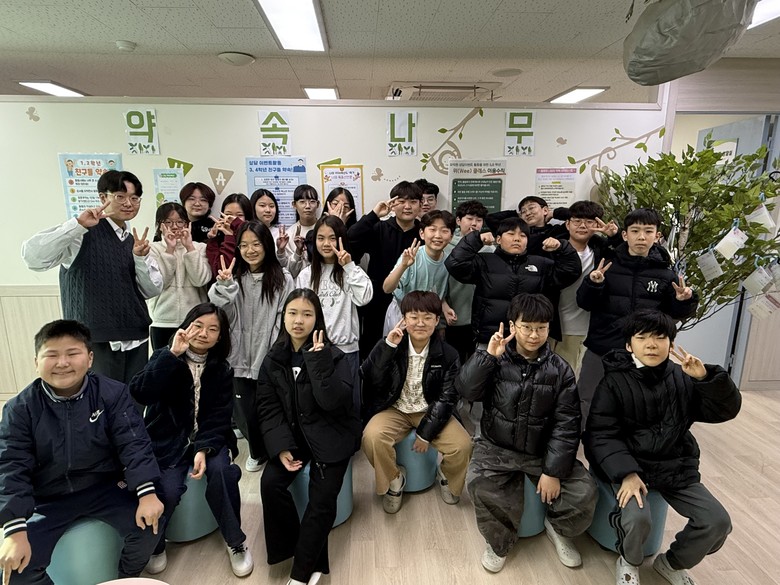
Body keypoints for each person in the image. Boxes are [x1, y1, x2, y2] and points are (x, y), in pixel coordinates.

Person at [584, 309, 741, 585]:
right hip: (630, 466)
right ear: (628, 345)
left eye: (659, 337)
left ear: (671, 342)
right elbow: (600, 434)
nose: (651, 344)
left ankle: (671, 564)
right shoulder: (613, 382)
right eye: (641, 337)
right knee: (638, 519)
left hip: (674, 465)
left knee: (717, 522)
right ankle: (629, 561)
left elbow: (724, 411)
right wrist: (626, 473)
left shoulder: (683, 377)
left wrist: (705, 378)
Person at [0, 320, 164, 584]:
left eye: (72, 353)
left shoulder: (112, 394)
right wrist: (14, 527)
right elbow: (11, 465)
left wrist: (146, 492)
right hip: (48, 497)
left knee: (151, 526)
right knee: (16, 571)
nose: (62, 363)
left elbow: (133, 442)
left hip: (104, 486)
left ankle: (126, 578)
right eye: (52, 355)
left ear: (89, 359)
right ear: (36, 362)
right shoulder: (19, 409)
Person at [456, 294, 596, 574]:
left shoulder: (560, 370)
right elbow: (466, 391)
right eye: (527, 327)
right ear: (512, 326)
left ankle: (558, 528)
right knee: (479, 484)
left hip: (541, 450)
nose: (534, 335)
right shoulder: (495, 359)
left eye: (541, 328)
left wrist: (553, 471)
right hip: (496, 446)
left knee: (584, 491)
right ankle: (499, 543)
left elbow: (567, 423)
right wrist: (487, 357)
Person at [129, 303, 252, 577]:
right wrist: (172, 354)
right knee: (167, 489)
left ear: (220, 337)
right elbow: (139, 392)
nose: (204, 333)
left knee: (223, 474)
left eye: (213, 329)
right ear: (186, 326)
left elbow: (220, 416)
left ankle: (236, 542)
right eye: (198, 325)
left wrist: (203, 448)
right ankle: (156, 545)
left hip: (210, 439)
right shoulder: (166, 356)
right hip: (168, 441)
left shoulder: (221, 369)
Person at [257, 289, 361, 585]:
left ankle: (301, 574)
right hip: (293, 437)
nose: (298, 321)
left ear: (318, 319)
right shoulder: (273, 359)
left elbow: (334, 403)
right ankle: (299, 546)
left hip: (332, 436)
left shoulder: (335, 356)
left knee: (321, 500)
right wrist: (280, 447)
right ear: (283, 317)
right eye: (292, 313)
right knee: (270, 484)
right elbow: (267, 408)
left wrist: (318, 363)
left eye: (306, 314)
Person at [21, 169, 162, 384]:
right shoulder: (81, 233)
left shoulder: (134, 241)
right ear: (103, 198)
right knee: (97, 399)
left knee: (132, 399)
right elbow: (33, 258)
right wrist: (76, 225)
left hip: (136, 335)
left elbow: (151, 290)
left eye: (135, 198)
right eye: (120, 196)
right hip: (95, 338)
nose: (128, 203)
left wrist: (140, 258)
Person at [576, 208, 698, 422]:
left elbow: (675, 315)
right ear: (625, 235)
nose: (641, 237)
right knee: (587, 400)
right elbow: (585, 304)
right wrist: (593, 284)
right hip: (602, 347)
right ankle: (586, 439)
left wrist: (684, 301)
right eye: (635, 231)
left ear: (657, 236)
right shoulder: (607, 266)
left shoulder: (666, 275)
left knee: (637, 405)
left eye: (648, 231)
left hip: (643, 353)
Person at [361, 291, 472, 514]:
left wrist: (425, 434)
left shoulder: (449, 354)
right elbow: (371, 378)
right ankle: (394, 480)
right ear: (404, 319)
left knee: (463, 445)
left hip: (430, 410)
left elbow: (447, 398)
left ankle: (446, 476)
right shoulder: (392, 343)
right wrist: (388, 347)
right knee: (372, 437)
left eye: (427, 317)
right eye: (414, 316)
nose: (420, 323)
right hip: (395, 408)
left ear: (437, 320)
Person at [209, 220, 295, 473]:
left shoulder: (282, 277)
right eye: (244, 245)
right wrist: (225, 288)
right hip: (238, 357)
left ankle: (274, 448)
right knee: (245, 411)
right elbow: (224, 318)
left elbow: (284, 318)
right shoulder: (234, 278)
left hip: (269, 357)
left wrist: (273, 353)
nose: (250, 250)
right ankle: (257, 451)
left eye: (256, 244)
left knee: (271, 408)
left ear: (266, 245)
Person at [445, 215, 580, 351]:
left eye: (523, 235)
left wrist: (562, 247)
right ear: (498, 239)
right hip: (491, 337)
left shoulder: (540, 264)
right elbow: (455, 264)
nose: (517, 239)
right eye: (511, 234)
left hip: (528, 339)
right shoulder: (484, 261)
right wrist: (476, 240)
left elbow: (571, 272)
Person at [296, 216, 373, 408]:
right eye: (321, 238)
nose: (326, 244)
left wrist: (348, 266)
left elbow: (365, 298)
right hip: (316, 351)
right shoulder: (306, 275)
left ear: (341, 240)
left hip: (346, 350)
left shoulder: (351, 271)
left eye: (332, 238)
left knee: (349, 406)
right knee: (318, 406)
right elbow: (299, 313)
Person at [347, 180, 421, 362]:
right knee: (374, 351)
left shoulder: (423, 232)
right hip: (378, 300)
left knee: (408, 353)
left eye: (413, 202)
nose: (407, 206)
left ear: (420, 205)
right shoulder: (379, 228)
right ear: (392, 204)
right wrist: (374, 215)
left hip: (413, 303)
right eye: (401, 201)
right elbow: (351, 237)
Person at [553, 200, 620, 376]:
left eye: (589, 222)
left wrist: (614, 236)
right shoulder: (553, 248)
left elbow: (629, 255)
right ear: (567, 224)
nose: (582, 226)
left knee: (569, 379)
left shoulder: (602, 253)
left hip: (581, 328)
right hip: (548, 326)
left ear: (597, 226)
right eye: (577, 221)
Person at [147, 202, 211, 350]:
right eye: (168, 222)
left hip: (194, 321)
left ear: (187, 224)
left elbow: (200, 280)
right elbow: (159, 283)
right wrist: (169, 250)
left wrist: (189, 248)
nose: (174, 227)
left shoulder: (200, 248)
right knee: (163, 363)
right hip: (162, 322)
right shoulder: (153, 249)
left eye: (180, 222)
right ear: (160, 226)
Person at [382, 210, 457, 333]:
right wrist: (403, 266)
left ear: (451, 236)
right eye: (432, 229)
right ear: (422, 233)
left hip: (428, 318)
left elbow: (437, 291)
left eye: (444, 231)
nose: (438, 235)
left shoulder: (449, 261)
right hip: (403, 316)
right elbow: (387, 288)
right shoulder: (412, 256)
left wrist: (445, 307)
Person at [445, 200, 493, 364]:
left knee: (478, 365)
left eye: (479, 220)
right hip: (454, 316)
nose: (474, 223)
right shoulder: (446, 246)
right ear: (458, 220)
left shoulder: (490, 249)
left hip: (481, 320)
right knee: (455, 363)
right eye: (470, 218)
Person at [485, 195, 568, 255]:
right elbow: (490, 218)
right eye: (523, 211)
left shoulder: (556, 231)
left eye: (531, 208)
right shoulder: (517, 232)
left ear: (545, 210)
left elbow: (573, 215)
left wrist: (552, 214)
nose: (527, 213)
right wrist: (517, 214)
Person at [205, 193, 253, 279]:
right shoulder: (215, 240)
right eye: (227, 215)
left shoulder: (255, 237)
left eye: (239, 215)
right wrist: (229, 238)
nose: (232, 219)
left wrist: (238, 226)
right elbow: (220, 272)